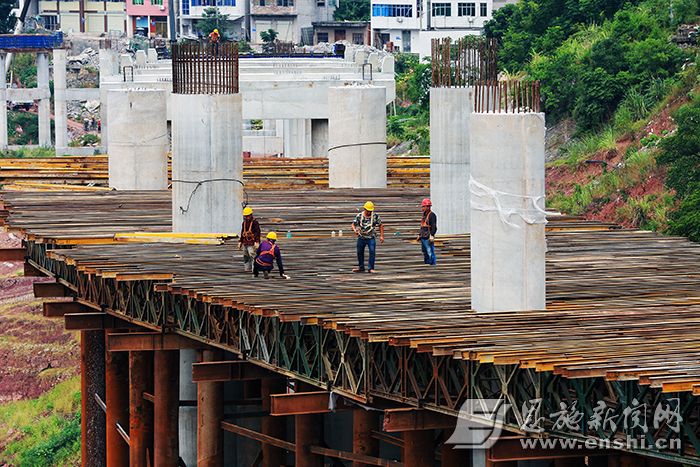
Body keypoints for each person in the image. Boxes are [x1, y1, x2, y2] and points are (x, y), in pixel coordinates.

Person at [352, 201, 384, 273]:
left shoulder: (375, 216)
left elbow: (381, 225)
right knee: (360, 252)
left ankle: (371, 268)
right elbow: (353, 224)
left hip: (371, 238)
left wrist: (381, 236)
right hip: (361, 237)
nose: (369, 212)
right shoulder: (359, 216)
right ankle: (361, 267)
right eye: (368, 211)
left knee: (372, 251)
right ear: (364, 209)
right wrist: (355, 230)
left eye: (370, 211)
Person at [238, 206, 261, 273]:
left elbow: (258, 232)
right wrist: (240, 241)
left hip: (252, 243)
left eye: (248, 216)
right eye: (245, 216)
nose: (247, 217)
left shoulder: (255, 223)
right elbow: (242, 232)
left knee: (252, 255)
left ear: (251, 215)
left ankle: (255, 269)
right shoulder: (244, 223)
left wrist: (257, 242)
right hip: (245, 242)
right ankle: (247, 269)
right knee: (246, 256)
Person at [419, 198, 437, 265]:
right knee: (425, 252)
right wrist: (419, 235)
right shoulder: (424, 215)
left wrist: (432, 235)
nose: (423, 208)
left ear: (428, 207)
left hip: (428, 237)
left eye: (424, 206)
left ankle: (432, 264)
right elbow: (422, 226)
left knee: (430, 252)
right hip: (423, 236)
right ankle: (427, 263)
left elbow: (434, 226)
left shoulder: (432, 215)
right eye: (422, 206)